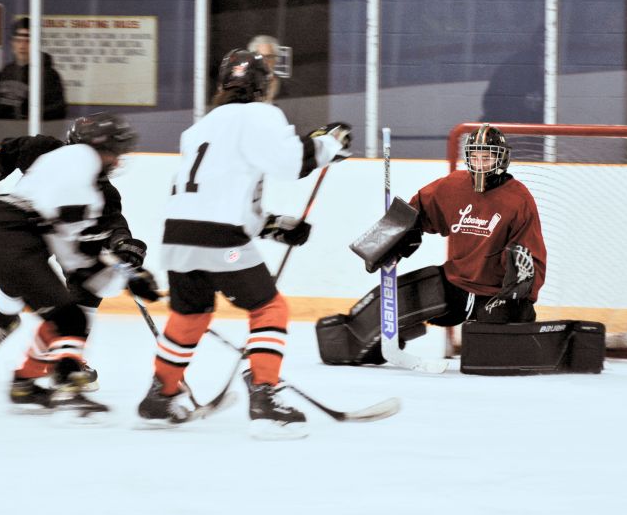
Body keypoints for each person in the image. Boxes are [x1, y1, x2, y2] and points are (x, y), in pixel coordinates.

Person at [137, 48, 351, 439]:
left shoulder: (200, 127)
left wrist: (272, 225)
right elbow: (291, 163)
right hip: (222, 241)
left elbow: (221, 191)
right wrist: (329, 145)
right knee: (269, 307)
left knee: (190, 314)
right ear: (261, 86)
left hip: (178, 236)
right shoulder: (259, 115)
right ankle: (266, 396)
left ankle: (161, 394)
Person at [0, 112, 159, 412]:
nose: (117, 160)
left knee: (69, 312)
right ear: (97, 147)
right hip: (17, 239)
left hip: (14, 235)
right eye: (114, 151)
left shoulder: (72, 171)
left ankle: (27, 384)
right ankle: (63, 377)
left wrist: (121, 252)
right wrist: (121, 270)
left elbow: (88, 235)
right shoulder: (77, 167)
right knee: (66, 313)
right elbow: (76, 239)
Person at [340, 124, 547, 361]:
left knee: (492, 358)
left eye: (487, 157)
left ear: (502, 159)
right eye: (475, 157)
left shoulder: (519, 199)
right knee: (390, 306)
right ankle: (357, 346)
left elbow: (531, 256)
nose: (480, 164)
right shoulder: (454, 185)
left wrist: (518, 293)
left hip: (493, 295)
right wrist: (388, 238)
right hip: (455, 283)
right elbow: (416, 211)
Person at [0, 17, 67, 120]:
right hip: (4, 128)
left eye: (28, 41)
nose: (22, 46)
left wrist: (27, 114)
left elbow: (59, 110)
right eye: (18, 41)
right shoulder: (6, 71)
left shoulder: (48, 75)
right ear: (12, 43)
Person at [247, 34, 284, 103]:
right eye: (259, 57)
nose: (264, 61)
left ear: (276, 59)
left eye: (269, 57)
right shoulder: (244, 87)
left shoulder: (288, 88)